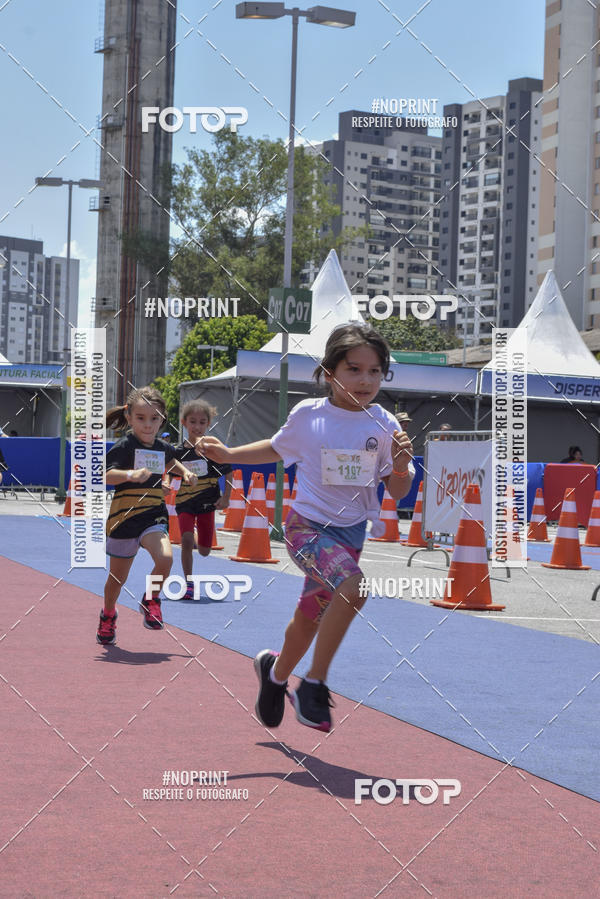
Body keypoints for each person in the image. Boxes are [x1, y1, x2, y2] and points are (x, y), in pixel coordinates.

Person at [200, 323, 415, 732]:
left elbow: (398, 491)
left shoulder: (385, 424)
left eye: (375, 371)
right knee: (354, 588)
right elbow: (276, 447)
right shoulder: (309, 415)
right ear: (330, 373)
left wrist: (402, 464)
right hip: (306, 527)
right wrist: (228, 453)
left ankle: (275, 675)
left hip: (351, 536)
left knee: (308, 619)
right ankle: (313, 684)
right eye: (354, 369)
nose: (366, 379)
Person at [97, 386, 197, 646]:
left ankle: (151, 599)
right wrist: (130, 475)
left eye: (154, 419)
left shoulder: (163, 446)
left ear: (162, 419)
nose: (148, 424)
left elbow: (171, 461)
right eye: (141, 418)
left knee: (165, 558)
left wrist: (185, 473)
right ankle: (108, 614)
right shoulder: (124, 446)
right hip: (124, 518)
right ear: (129, 417)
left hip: (153, 515)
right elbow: (104, 475)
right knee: (117, 578)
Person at [171, 399, 233, 599]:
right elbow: (168, 471)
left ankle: (197, 537)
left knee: (205, 551)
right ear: (184, 423)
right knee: (186, 541)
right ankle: (189, 584)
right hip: (184, 503)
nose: (197, 426)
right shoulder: (178, 452)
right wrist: (165, 485)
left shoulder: (213, 451)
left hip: (208, 503)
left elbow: (229, 474)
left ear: (208, 424)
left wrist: (226, 498)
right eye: (193, 422)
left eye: (202, 422)